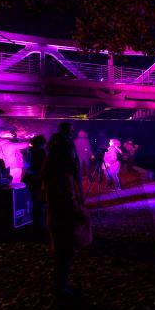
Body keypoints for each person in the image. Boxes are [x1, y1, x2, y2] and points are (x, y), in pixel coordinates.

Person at [41, 122, 92, 300]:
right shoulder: (62, 176)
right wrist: (82, 213)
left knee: (62, 255)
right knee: (65, 255)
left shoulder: (51, 171)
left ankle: (61, 288)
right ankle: (60, 291)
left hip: (57, 218)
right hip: (63, 220)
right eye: (71, 154)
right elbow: (68, 200)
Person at [23, 135, 47, 239]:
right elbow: (41, 166)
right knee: (39, 203)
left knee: (34, 202)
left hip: (30, 177)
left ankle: (35, 226)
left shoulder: (29, 151)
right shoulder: (40, 152)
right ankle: (39, 228)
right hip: (37, 178)